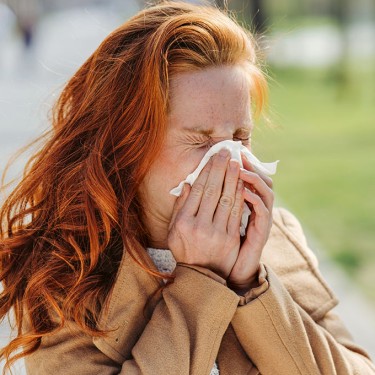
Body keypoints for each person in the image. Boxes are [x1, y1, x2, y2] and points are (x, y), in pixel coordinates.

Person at [0, 1, 374, 374]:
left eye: (241, 137)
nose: (231, 160)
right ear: (128, 145)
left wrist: (250, 286)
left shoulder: (276, 237)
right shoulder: (69, 273)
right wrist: (201, 281)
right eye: (201, 141)